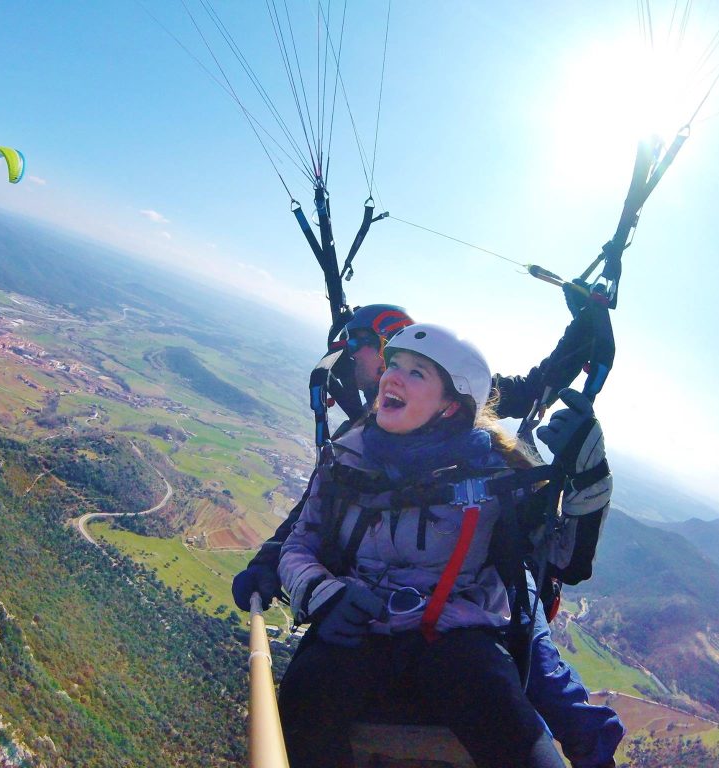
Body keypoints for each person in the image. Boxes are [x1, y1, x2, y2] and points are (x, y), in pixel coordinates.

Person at [234, 302, 621, 768]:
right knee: (301, 711)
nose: (391, 378)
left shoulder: (498, 476)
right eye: (392, 365)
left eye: (416, 374)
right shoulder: (346, 458)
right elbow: (302, 540)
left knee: (520, 743)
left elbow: (563, 561)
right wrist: (324, 595)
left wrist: (588, 479)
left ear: (450, 406)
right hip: (358, 620)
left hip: (456, 636)